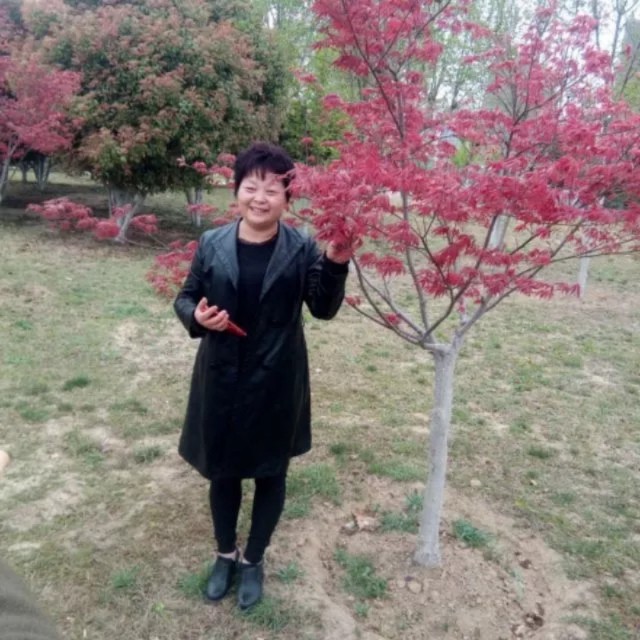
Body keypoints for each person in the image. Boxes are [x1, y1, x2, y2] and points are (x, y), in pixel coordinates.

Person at [173, 142, 351, 610]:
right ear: (237, 191)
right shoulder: (212, 243)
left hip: (276, 378)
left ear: (287, 199)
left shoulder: (301, 248)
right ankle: (224, 554)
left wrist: (335, 262)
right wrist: (198, 317)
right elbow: (186, 297)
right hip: (221, 375)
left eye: (273, 189)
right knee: (223, 471)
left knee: (271, 472)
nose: (260, 198)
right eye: (251, 187)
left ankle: (253, 559)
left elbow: (323, 308)